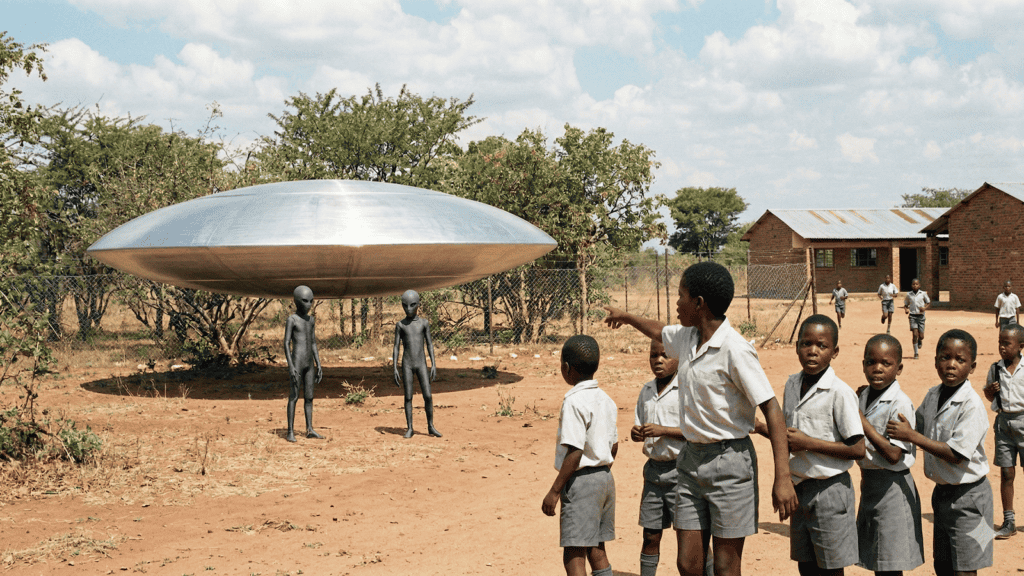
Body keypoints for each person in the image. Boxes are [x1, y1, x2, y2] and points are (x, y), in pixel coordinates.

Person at [604, 261, 798, 576]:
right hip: (690, 461)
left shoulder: (736, 350)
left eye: (681, 296)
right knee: (688, 563)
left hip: (730, 464)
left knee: (725, 566)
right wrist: (626, 318)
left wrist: (783, 477)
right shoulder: (689, 338)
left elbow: (772, 410)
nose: (676, 303)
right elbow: (658, 330)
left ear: (699, 303)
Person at [757, 314, 865, 576]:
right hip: (799, 489)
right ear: (796, 347)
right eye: (806, 344)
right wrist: (763, 428)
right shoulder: (792, 384)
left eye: (822, 346)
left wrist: (810, 443)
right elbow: (789, 436)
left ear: (834, 351)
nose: (812, 351)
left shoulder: (840, 392)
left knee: (830, 567)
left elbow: (858, 449)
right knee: (806, 565)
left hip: (830, 490)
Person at [888, 329, 993, 576]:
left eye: (960, 360)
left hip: (971, 499)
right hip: (943, 495)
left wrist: (912, 436)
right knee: (943, 566)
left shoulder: (972, 404)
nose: (951, 365)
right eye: (945, 357)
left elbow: (956, 454)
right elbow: (917, 423)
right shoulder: (934, 394)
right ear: (935, 360)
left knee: (966, 569)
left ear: (973, 366)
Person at [632, 339, 713, 576]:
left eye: (665, 355)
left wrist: (663, 430)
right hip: (653, 473)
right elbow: (639, 424)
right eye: (653, 355)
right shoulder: (646, 391)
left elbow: (697, 431)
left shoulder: (686, 390)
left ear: (679, 358)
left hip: (682, 473)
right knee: (650, 534)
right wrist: (636, 433)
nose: (658, 361)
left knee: (689, 537)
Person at [542, 334, 618, 576]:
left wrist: (554, 491)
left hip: (581, 481)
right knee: (597, 547)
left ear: (566, 368)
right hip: (604, 479)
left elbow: (575, 452)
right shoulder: (607, 400)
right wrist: (599, 471)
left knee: (574, 553)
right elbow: (614, 446)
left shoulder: (574, 402)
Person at [855, 334, 924, 575]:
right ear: (863, 364)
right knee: (878, 559)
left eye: (886, 363)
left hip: (893, 487)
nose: (877, 369)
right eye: (871, 362)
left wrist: (864, 424)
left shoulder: (900, 402)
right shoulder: (862, 396)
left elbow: (894, 454)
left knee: (890, 564)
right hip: (870, 484)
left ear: (899, 368)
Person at [983, 323, 1024, 539]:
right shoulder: (995, 368)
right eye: (1000, 343)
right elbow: (990, 396)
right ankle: (1009, 521)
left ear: (1021, 346)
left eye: (1007, 344)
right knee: (1007, 472)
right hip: (1003, 424)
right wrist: (990, 392)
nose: (1002, 348)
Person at [392, 289, 441, 438]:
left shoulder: (423, 323)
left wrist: (433, 363)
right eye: (405, 306)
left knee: (428, 395)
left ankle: (430, 426)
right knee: (408, 397)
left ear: (418, 304)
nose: (409, 309)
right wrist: (394, 366)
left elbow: (429, 344)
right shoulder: (400, 325)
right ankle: (410, 428)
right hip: (407, 363)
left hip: (421, 363)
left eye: (412, 305)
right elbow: (395, 347)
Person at [283, 285, 324, 443]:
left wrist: (318, 363)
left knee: (309, 397)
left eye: (311, 301)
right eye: (305, 301)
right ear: (297, 302)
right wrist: (291, 366)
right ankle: (290, 431)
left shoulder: (311, 320)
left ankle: (309, 429)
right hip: (297, 361)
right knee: (293, 396)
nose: (309, 305)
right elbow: (286, 343)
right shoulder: (292, 320)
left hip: (308, 363)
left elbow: (313, 342)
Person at [904, 278, 931, 360]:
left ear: (919, 285)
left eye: (916, 284)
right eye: (913, 284)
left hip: (921, 316)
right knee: (915, 334)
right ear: (911, 285)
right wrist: (906, 309)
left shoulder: (923, 294)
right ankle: (916, 353)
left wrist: (924, 308)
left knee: (921, 335)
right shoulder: (909, 295)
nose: (915, 286)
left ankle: (920, 339)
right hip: (912, 316)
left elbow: (928, 302)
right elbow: (906, 304)